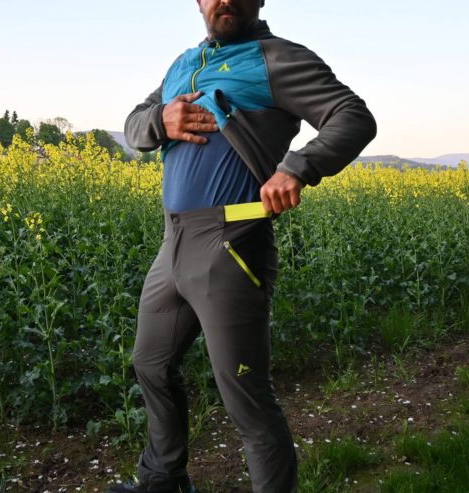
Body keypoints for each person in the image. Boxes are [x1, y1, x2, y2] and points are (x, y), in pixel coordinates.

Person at [111, 1, 376, 492]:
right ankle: (163, 480)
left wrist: (297, 168)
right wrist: (161, 120)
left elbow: (353, 116)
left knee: (245, 393)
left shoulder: (278, 58)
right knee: (150, 363)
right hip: (173, 243)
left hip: (230, 244)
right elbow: (133, 125)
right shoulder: (183, 64)